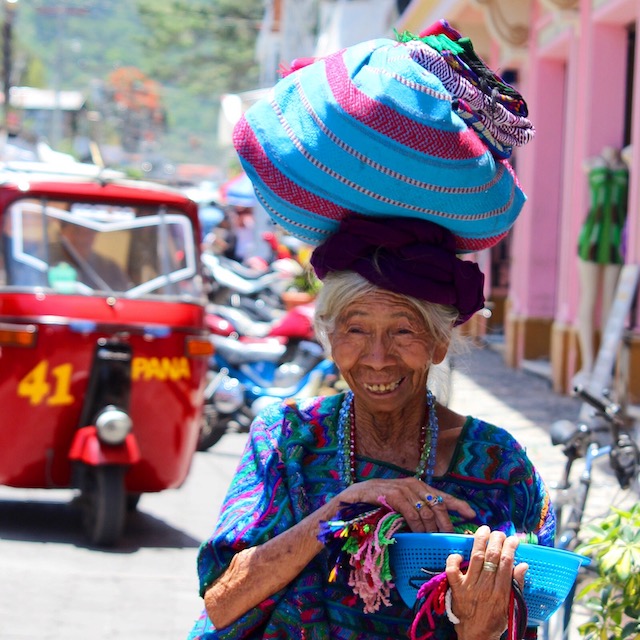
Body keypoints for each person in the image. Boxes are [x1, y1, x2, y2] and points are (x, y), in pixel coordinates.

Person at [188, 20, 550, 640]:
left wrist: (484, 626)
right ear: (329, 337)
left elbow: (527, 618)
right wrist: (340, 510)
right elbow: (221, 602)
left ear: (440, 343)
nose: (377, 356)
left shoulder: (501, 466)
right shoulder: (289, 442)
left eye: (404, 331)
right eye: (355, 330)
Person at [575, 146, 629, 383]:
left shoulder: (626, 164)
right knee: (588, 298)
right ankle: (587, 364)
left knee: (610, 303)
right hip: (591, 237)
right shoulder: (591, 163)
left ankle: (604, 366)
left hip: (616, 240)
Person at [49, 220, 131, 291]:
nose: (82, 238)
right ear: (63, 232)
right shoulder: (44, 261)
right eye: (76, 231)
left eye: (88, 232)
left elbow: (125, 298)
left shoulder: (110, 268)